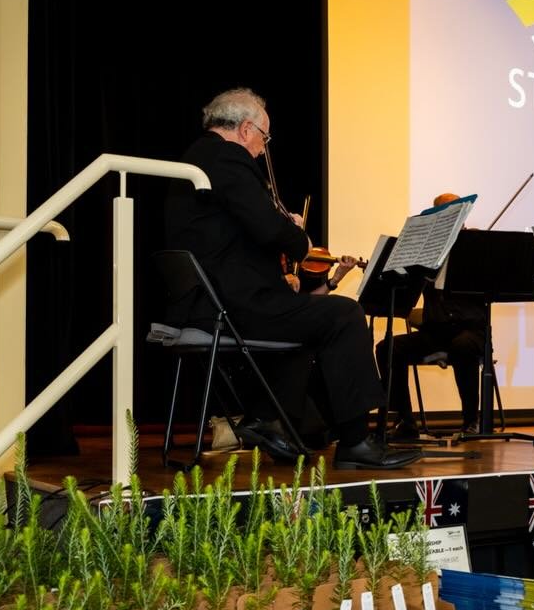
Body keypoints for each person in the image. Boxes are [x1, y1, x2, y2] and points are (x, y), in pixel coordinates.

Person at [164, 87, 419, 470]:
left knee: (303, 325)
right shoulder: (228, 158)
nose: (263, 150)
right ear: (246, 129)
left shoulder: (199, 158)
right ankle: (354, 442)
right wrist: (298, 238)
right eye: (264, 139)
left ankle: (265, 418)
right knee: (344, 314)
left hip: (205, 302)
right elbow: (268, 229)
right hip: (230, 306)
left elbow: (236, 227)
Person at [375, 193, 488, 437]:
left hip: (472, 331)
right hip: (436, 332)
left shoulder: (475, 243)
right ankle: (406, 421)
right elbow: (409, 293)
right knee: (387, 347)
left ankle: (471, 420)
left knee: (463, 345)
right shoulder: (427, 249)